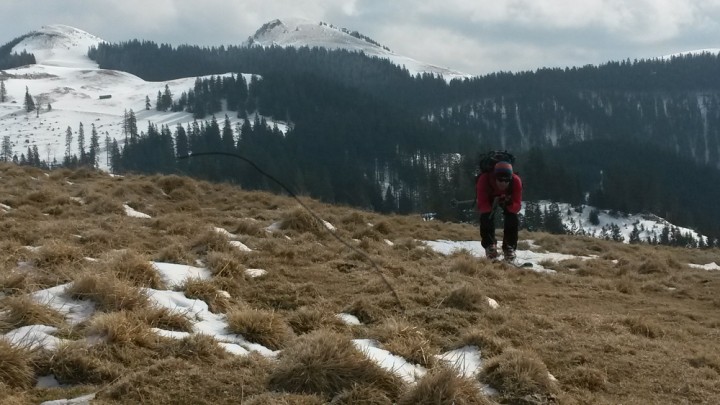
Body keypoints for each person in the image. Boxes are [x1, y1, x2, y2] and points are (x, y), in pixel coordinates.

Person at [476, 161, 522, 261]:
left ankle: (509, 247)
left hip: (507, 199)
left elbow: (517, 206)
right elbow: (482, 203)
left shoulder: (516, 181)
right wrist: (489, 211)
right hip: (488, 198)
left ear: (511, 178)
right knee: (486, 217)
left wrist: (510, 204)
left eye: (507, 181)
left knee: (512, 217)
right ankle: (490, 246)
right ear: (494, 176)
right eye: (500, 180)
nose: (503, 183)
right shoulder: (484, 180)